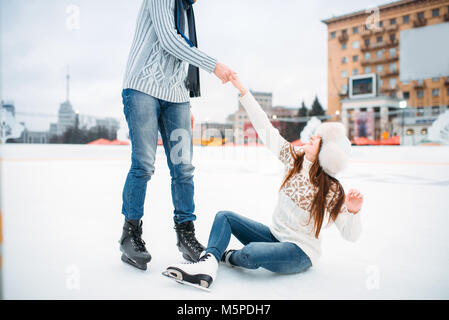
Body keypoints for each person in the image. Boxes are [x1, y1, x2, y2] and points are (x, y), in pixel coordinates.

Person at [164, 74, 364, 289]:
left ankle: (228, 257)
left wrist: (353, 212)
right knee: (225, 217)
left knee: (251, 253)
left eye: (318, 140)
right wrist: (244, 92)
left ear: (326, 154)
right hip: (274, 236)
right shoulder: (294, 159)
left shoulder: (332, 189)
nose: (312, 138)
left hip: (300, 251)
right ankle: (208, 264)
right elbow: (266, 129)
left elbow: (350, 235)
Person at [119, 0, 235, 270]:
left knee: (183, 168)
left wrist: (184, 102)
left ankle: (186, 236)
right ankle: (130, 234)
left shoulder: (186, 8)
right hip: (143, 89)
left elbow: (179, 58)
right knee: (144, 164)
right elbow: (171, 40)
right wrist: (213, 65)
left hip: (176, 97)